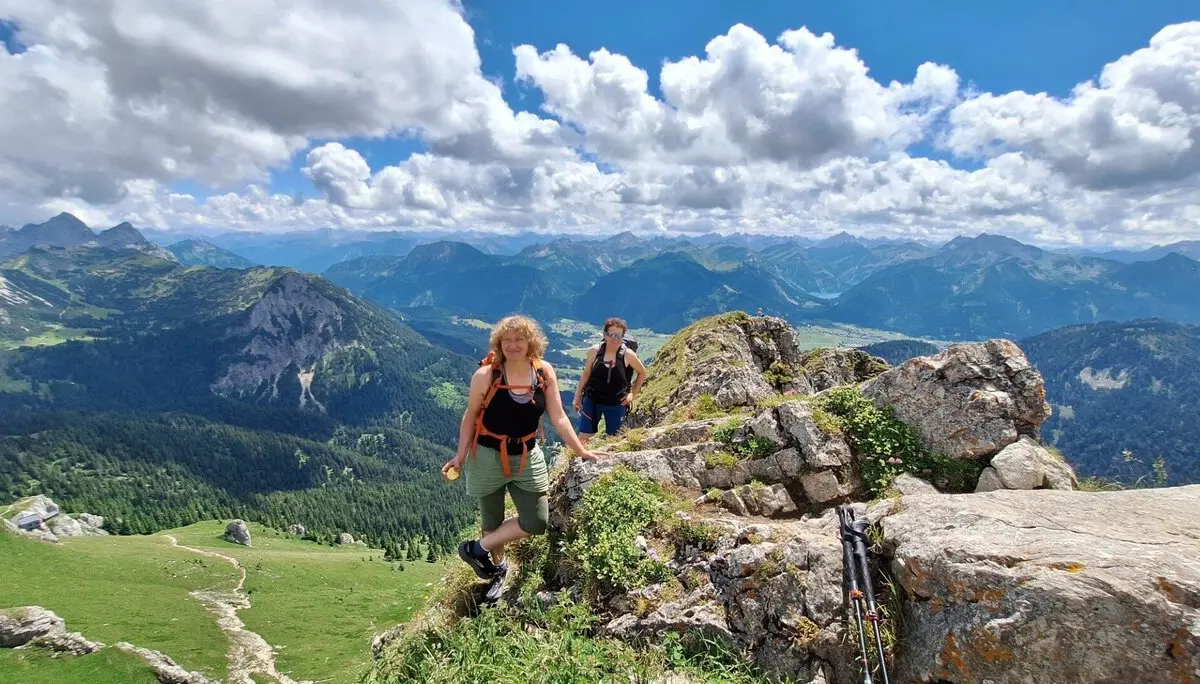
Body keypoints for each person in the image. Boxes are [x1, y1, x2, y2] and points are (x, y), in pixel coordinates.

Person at [441, 314, 603, 601]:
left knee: (536, 521)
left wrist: (580, 449)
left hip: (527, 454)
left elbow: (558, 416)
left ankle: (476, 549)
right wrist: (460, 455)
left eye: (519, 339)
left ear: (531, 342)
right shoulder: (486, 375)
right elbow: (470, 416)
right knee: (491, 520)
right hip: (486, 455)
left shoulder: (543, 372)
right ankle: (498, 570)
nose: (513, 345)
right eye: (507, 340)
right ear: (498, 343)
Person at [572, 317, 648, 443]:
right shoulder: (595, 351)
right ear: (604, 335)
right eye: (611, 335)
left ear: (623, 336)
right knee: (584, 437)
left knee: (614, 440)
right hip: (592, 399)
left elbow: (642, 372)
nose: (615, 338)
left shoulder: (628, 355)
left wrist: (632, 395)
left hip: (617, 403)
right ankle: (583, 456)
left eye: (619, 335)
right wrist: (577, 396)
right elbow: (586, 374)